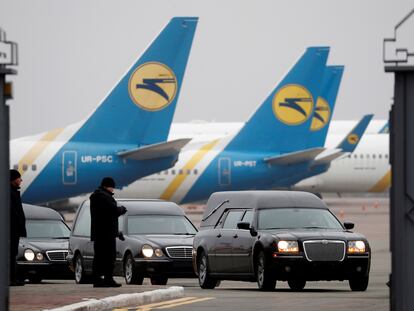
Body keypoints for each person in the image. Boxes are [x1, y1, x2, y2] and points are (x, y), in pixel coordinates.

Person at [90, 177, 126, 287]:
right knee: (109, 257)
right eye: (112, 187)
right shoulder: (105, 197)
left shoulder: (95, 197)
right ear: (107, 186)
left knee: (99, 257)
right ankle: (108, 279)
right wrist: (121, 209)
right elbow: (112, 212)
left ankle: (97, 279)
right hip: (107, 234)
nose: (113, 190)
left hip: (98, 233)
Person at [9, 169, 27, 286]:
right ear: (13, 179)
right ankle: (10, 279)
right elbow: (12, 213)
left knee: (12, 254)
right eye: (18, 178)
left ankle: (13, 278)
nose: (21, 180)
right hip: (11, 231)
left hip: (14, 230)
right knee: (10, 254)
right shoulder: (9, 193)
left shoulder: (14, 192)